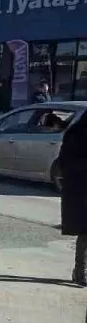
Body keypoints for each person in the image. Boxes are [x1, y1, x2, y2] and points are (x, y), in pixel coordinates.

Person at [57, 114, 87, 286]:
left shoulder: (74, 132)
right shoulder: (76, 134)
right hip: (80, 189)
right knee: (85, 231)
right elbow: (65, 162)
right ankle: (80, 272)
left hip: (78, 186)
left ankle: (80, 272)